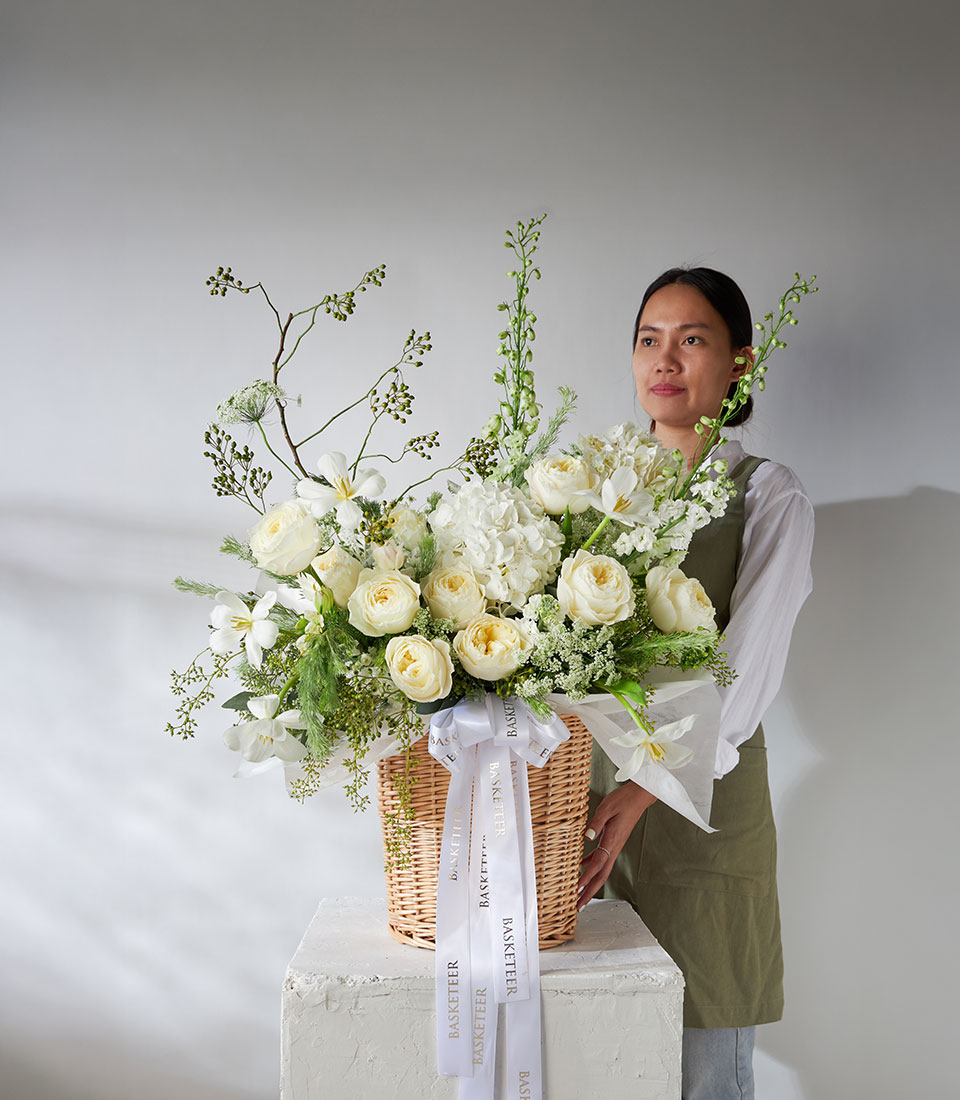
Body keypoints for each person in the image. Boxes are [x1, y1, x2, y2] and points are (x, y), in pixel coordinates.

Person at [577, 267, 815, 1100]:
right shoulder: (590, 496)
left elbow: (745, 670)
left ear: (741, 364)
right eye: (650, 338)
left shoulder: (767, 495)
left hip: (705, 808)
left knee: (703, 1067)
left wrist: (645, 788)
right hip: (587, 796)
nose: (664, 358)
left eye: (692, 339)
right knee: (595, 1050)